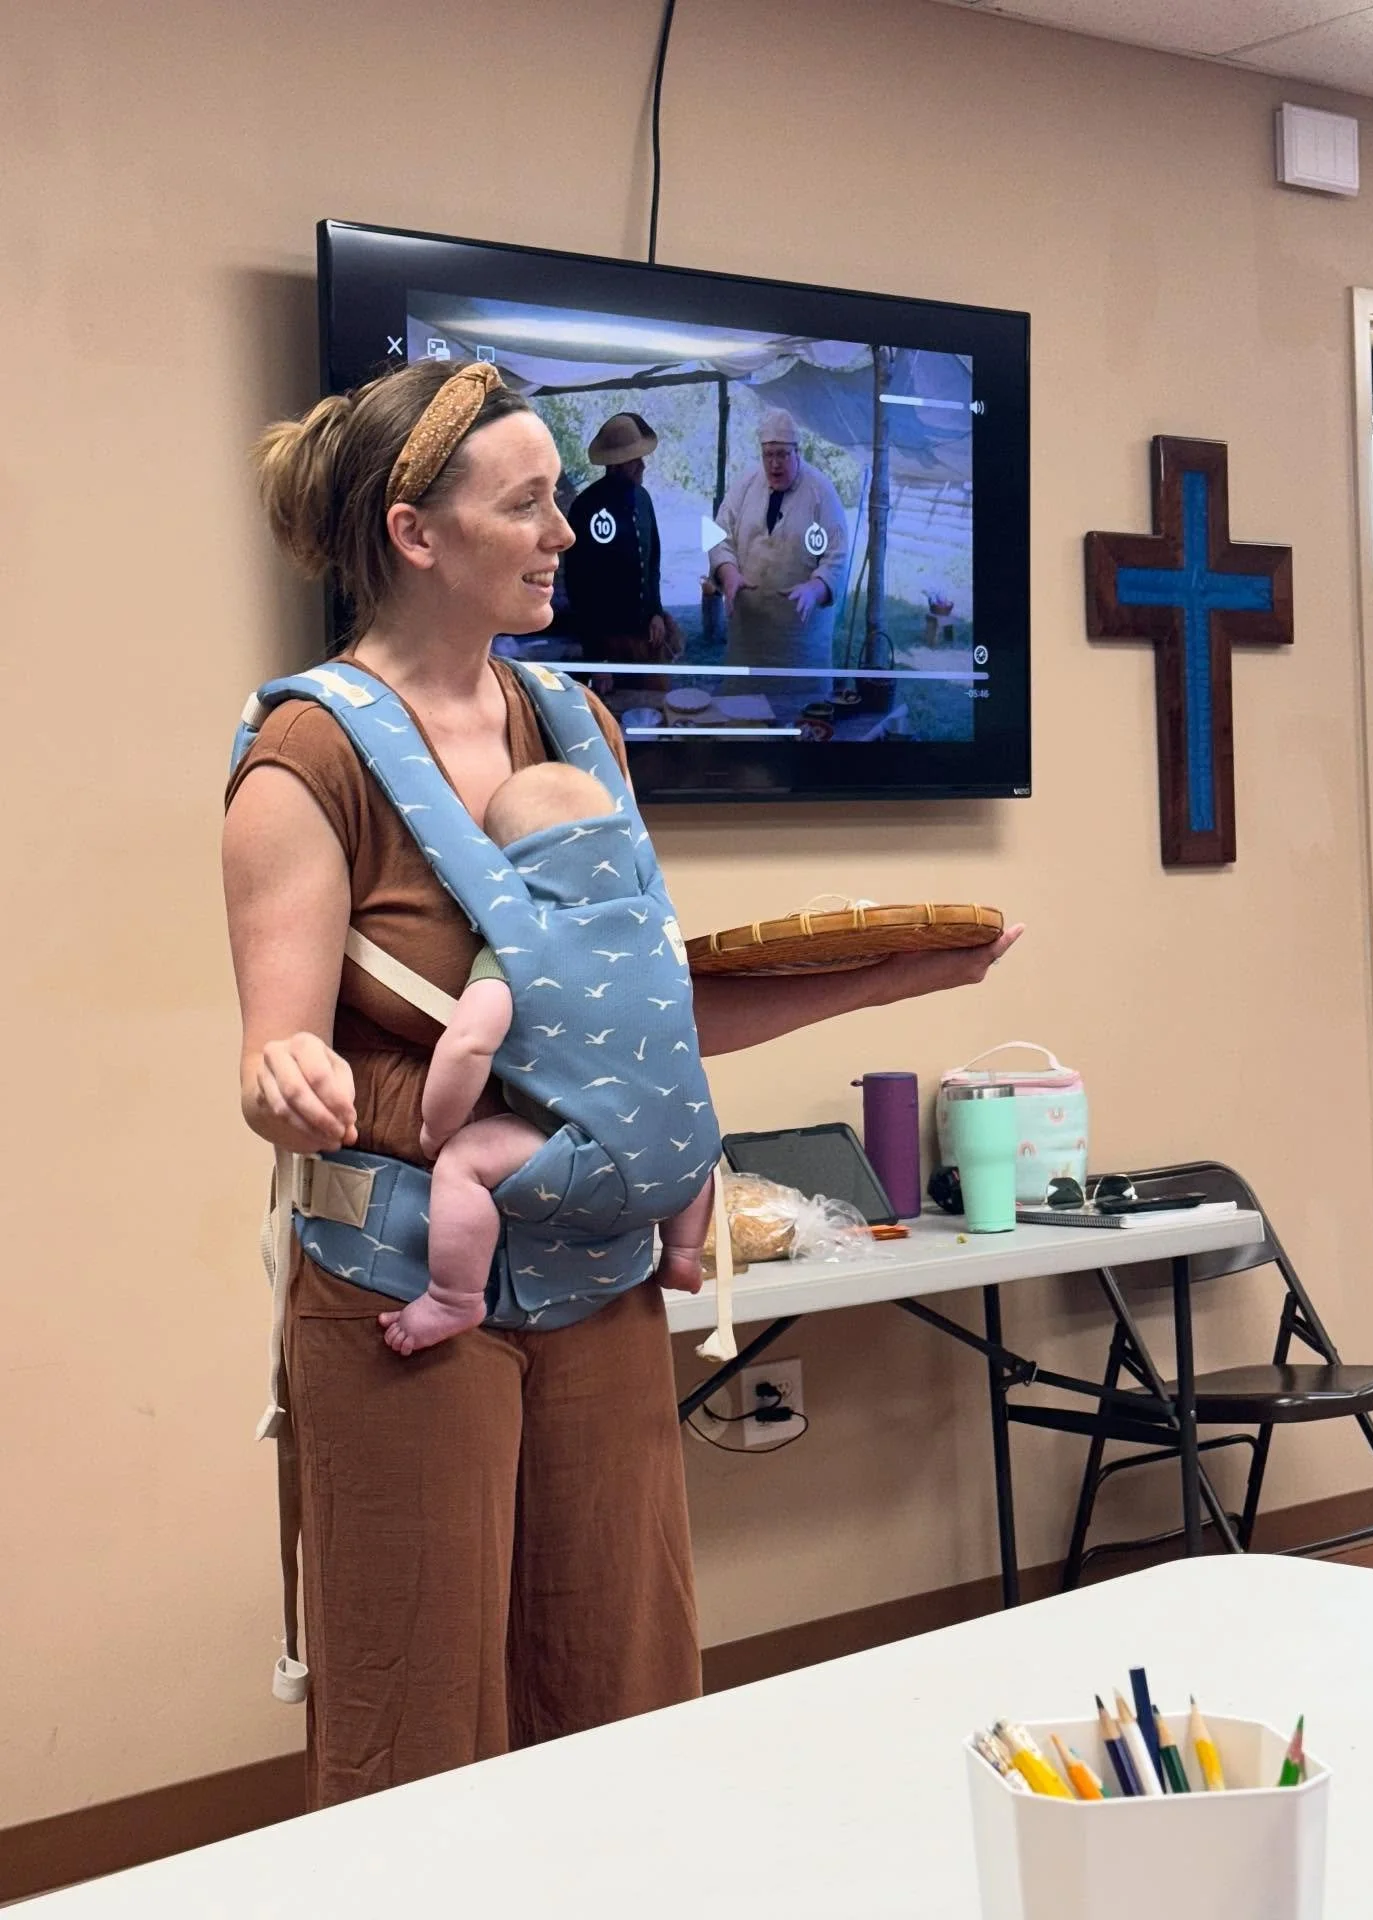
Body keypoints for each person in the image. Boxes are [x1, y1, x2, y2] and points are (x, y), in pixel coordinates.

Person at [223, 356, 1022, 1809]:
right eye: (529, 504)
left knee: (625, 1692)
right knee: (420, 1727)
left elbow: (633, 1029)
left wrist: (894, 982)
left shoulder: (577, 730)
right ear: (416, 533)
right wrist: (284, 1069)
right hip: (409, 1292)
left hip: (592, 1276)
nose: (566, 533)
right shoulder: (306, 758)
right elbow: (283, 1062)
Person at [381, 760, 714, 1358]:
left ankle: (454, 1298)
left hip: (592, 1163)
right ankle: (685, 1255)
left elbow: (469, 1043)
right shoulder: (657, 926)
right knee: (690, 1127)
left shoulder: (522, 941)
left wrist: (437, 1125)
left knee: (464, 1164)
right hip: (684, 1163)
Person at [708, 407, 850, 676]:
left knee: (803, 716)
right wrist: (728, 574)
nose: (775, 464)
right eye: (768, 455)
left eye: (783, 454)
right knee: (743, 713)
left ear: (798, 453)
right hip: (748, 644)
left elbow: (837, 557)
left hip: (801, 647)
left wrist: (814, 589)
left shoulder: (822, 492)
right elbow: (717, 535)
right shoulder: (745, 484)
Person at [563, 410, 681, 669]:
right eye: (634, 460)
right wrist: (598, 659)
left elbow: (652, 564)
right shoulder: (587, 507)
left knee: (655, 705)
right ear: (615, 464)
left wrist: (656, 613)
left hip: (646, 636)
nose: (642, 465)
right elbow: (580, 587)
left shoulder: (643, 499)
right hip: (608, 642)